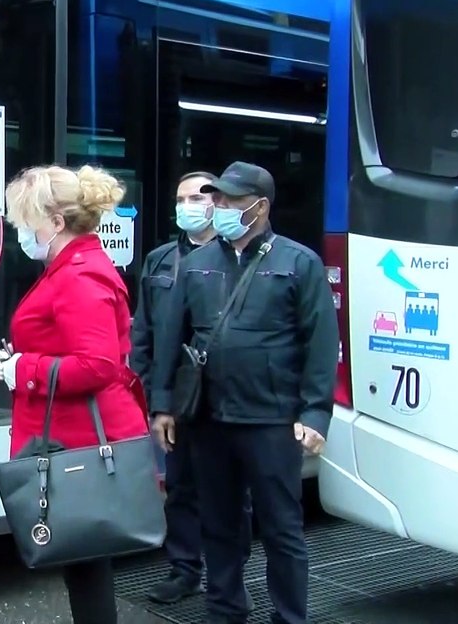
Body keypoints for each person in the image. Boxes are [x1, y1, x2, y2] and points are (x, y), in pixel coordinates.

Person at [150, 161, 338, 624]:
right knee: (219, 523)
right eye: (218, 199)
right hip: (210, 419)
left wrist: (315, 414)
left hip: (271, 420)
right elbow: (170, 339)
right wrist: (163, 406)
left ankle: (290, 616)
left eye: (231, 201)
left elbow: (320, 343)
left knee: (282, 527)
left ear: (260, 207)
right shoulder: (197, 265)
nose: (220, 208)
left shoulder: (298, 263)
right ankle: (225, 609)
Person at [0, 164, 148, 624]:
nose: (21, 231)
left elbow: (97, 364)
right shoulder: (74, 266)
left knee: (85, 566)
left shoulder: (78, 275)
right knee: (83, 565)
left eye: (26, 221)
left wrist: (25, 369)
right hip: (73, 439)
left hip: (77, 445)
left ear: (56, 222)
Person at [132, 170, 252, 605]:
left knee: (231, 490)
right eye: (181, 198)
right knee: (179, 482)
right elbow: (145, 329)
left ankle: (230, 572)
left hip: (226, 393)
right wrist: (150, 390)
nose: (189, 205)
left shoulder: (241, 260)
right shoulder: (161, 260)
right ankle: (184, 568)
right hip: (178, 395)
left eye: (199, 197)